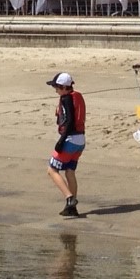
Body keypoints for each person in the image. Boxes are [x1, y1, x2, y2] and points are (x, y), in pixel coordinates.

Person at [46, 71, 87, 218]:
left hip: (70, 139)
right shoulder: (77, 96)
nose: (55, 90)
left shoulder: (66, 99)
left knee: (51, 169)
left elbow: (69, 122)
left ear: (64, 87)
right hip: (80, 140)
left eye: (56, 87)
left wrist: (60, 141)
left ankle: (70, 198)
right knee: (69, 171)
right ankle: (72, 209)